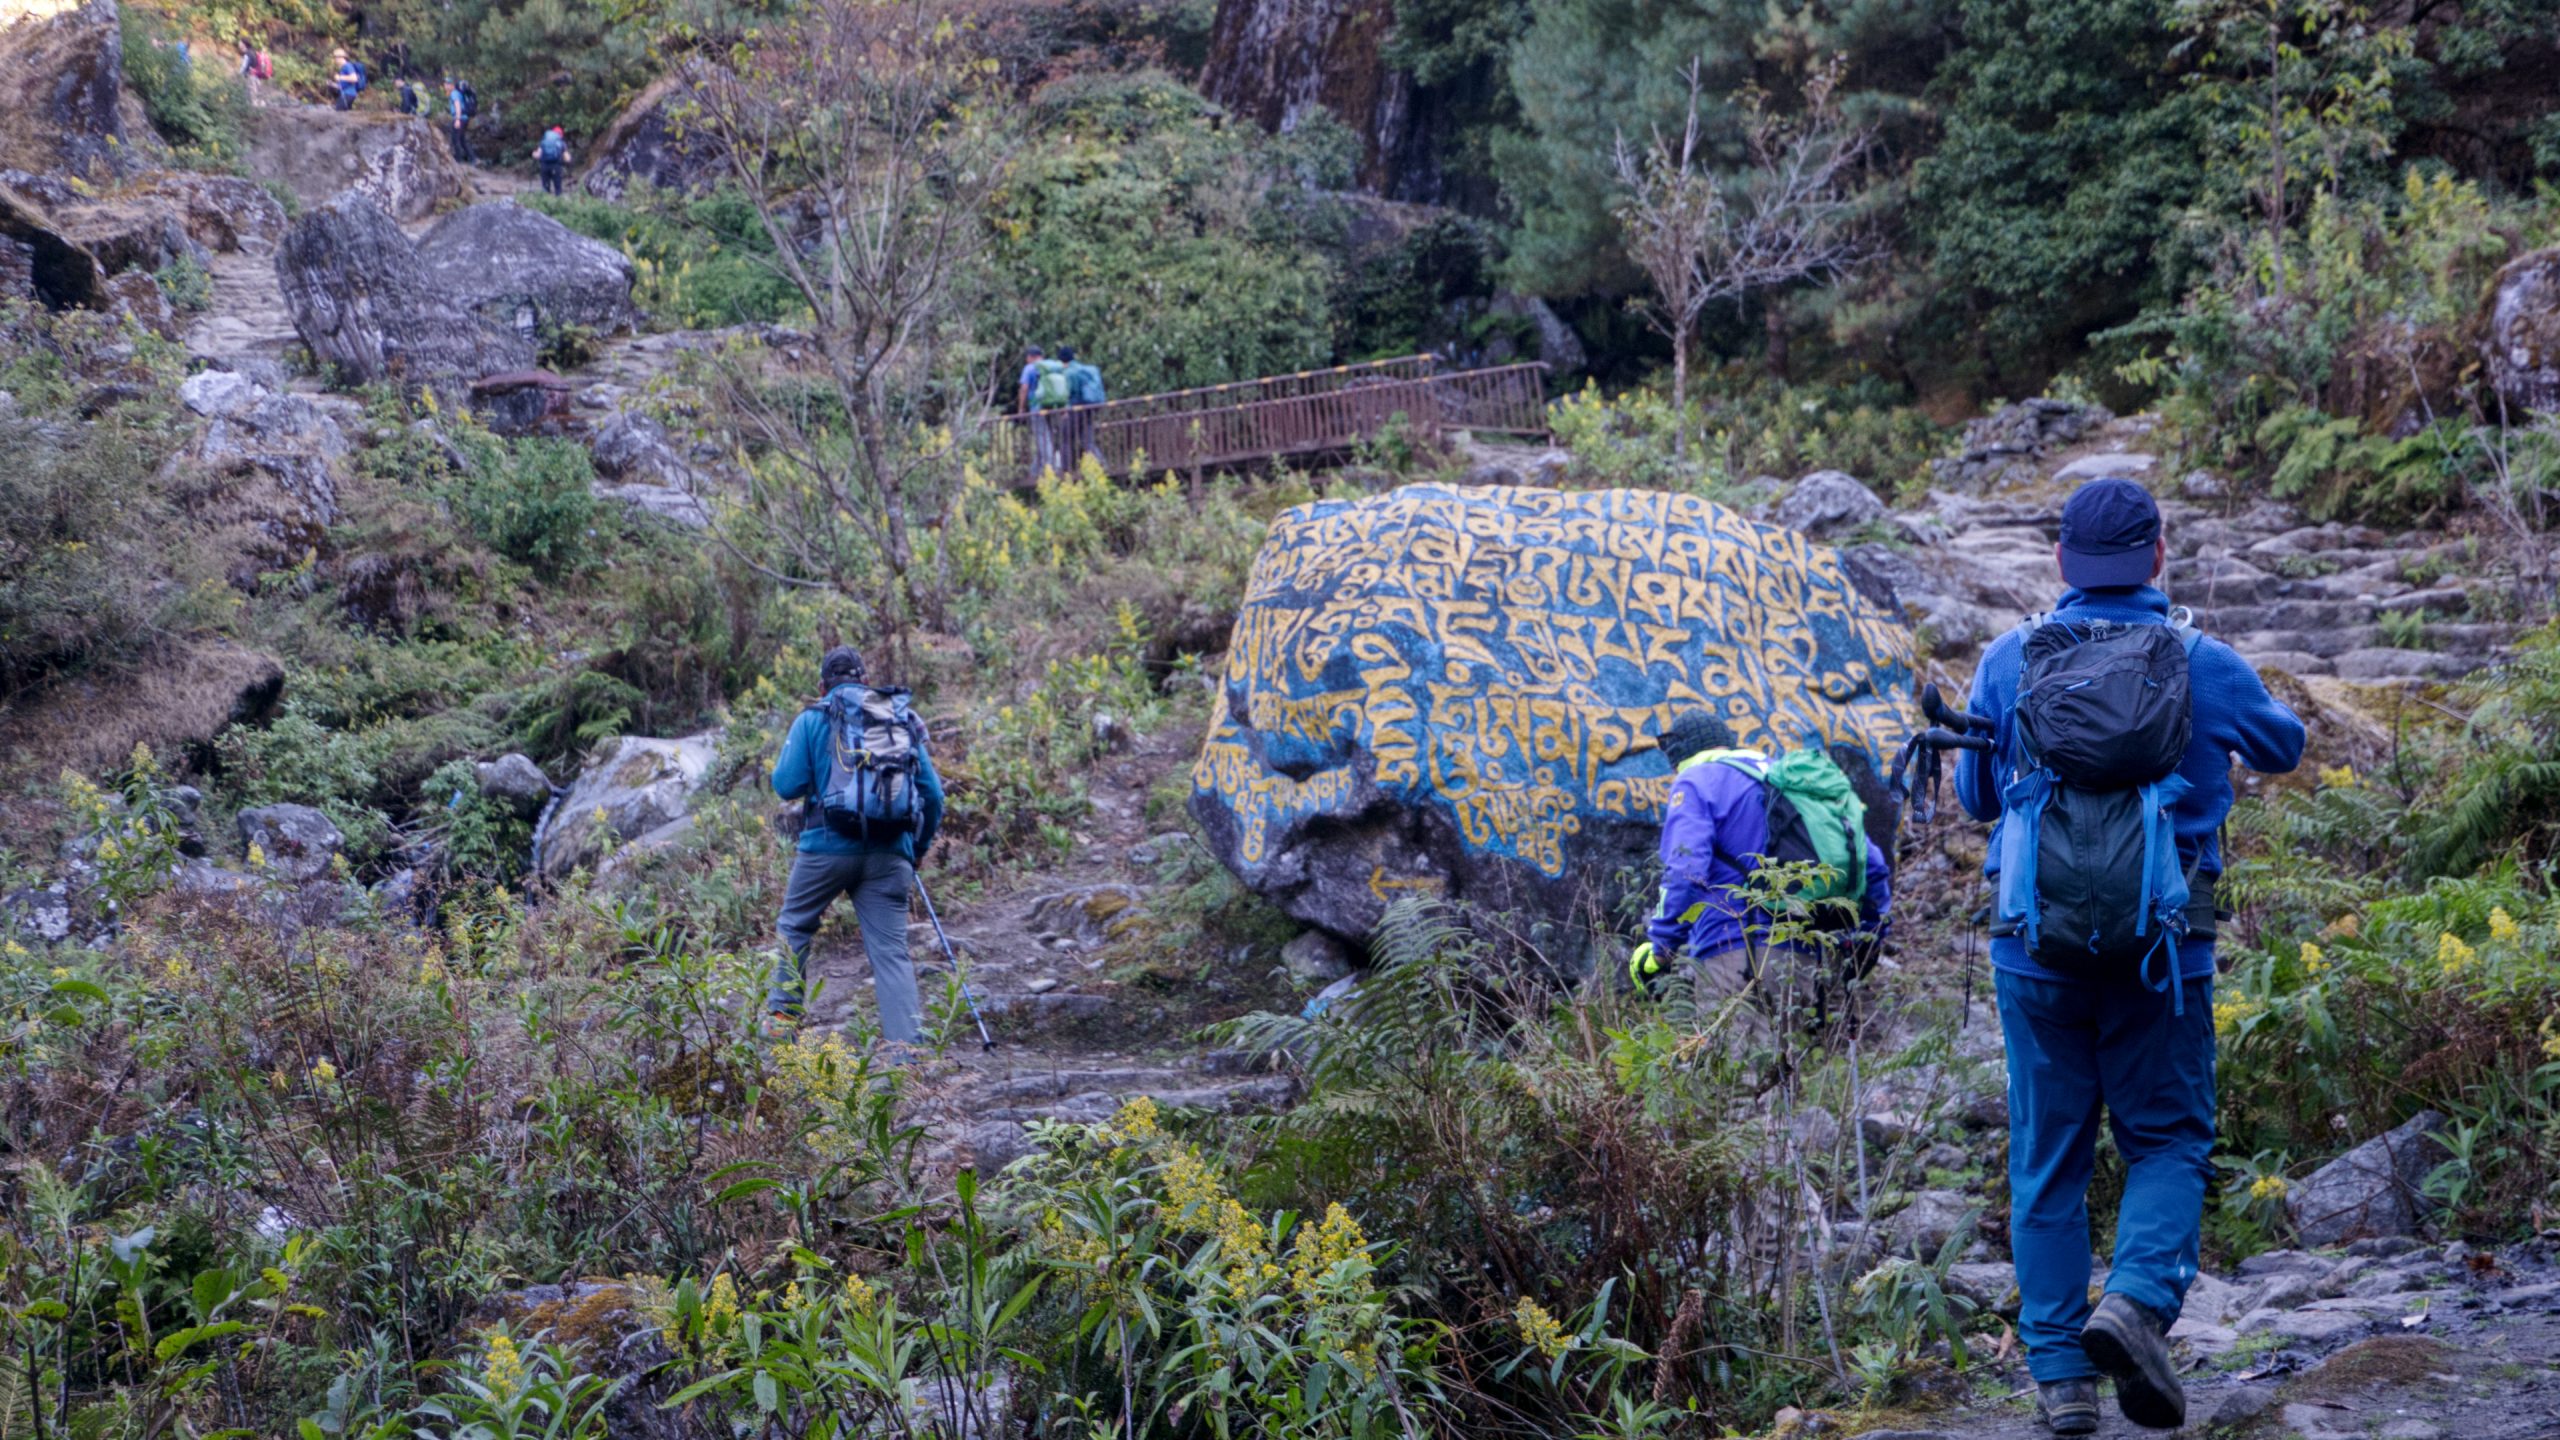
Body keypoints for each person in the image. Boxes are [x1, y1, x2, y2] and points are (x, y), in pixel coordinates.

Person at [1954, 477, 2305, 1436]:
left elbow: (1977, 799)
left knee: (2048, 1156)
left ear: (2060, 561)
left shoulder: (2008, 659)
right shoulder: (2202, 660)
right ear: (2158, 554)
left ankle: (2063, 1381)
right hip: (2166, 949)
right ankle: (2138, 1301)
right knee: (2168, 1139)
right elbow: (2284, 747)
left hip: (2035, 948)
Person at [1629, 710, 1890, 1015]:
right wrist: (1866, 938)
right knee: (1787, 1046)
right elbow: (1872, 864)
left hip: (1734, 952)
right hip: (1802, 959)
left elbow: (1685, 869)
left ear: (1679, 757)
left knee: (1735, 1046)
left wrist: (1661, 948)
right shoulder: (1785, 778)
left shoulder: (1697, 780)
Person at [767, 646, 946, 1049]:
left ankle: (780, 1034)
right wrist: (917, 849)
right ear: (866, 681)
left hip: (825, 849)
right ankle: (908, 1060)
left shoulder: (811, 719)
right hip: (890, 853)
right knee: (892, 954)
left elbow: (786, 785)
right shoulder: (897, 718)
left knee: (794, 926)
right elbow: (933, 795)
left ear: (822, 686)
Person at [1016, 345, 1064, 476]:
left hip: (1037, 408)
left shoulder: (1029, 368)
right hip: (1053, 406)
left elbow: (1024, 388)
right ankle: (1035, 471)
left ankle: (1050, 467)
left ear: (1030, 357)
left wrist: (1021, 408)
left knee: (1042, 437)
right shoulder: (1052, 366)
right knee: (1046, 438)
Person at [1062, 345, 1106, 465]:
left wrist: (1065, 410)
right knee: (1087, 440)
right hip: (1089, 408)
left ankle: (1066, 469)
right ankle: (1102, 464)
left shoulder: (1068, 372)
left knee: (1066, 439)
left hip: (1075, 410)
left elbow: (1068, 393)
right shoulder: (1084, 369)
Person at [442, 77, 477, 163]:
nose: (445, 86)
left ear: (451, 85)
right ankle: (473, 159)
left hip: (459, 118)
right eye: (444, 85)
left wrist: (457, 119)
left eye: (446, 84)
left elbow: (458, 106)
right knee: (462, 140)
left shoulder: (454, 93)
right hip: (464, 118)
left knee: (455, 139)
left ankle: (458, 160)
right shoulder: (457, 93)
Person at [533, 124, 571, 195]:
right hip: (556, 166)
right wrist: (569, 160)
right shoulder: (561, 143)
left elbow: (537, 155)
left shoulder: (544, 142)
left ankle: (545, 200)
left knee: (545, 188)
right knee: (558, 188)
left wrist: (534, 154)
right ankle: (558, 200)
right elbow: (567, 158)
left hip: (544, 166)